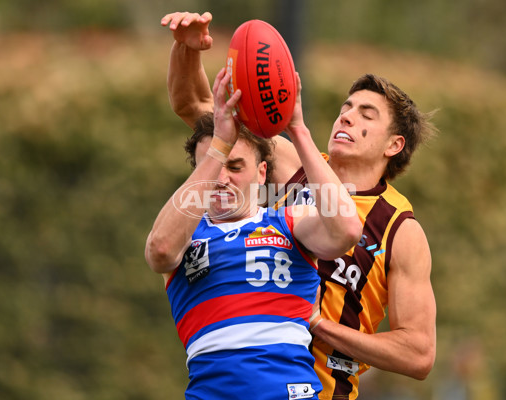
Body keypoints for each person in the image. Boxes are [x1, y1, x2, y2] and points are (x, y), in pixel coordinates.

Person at [161, 11, 437, 400]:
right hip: (248, 383)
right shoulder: (292, 165)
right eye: (347, 106)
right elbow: (196, 104)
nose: (347, 115)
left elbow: (419, 353)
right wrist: (186, 50)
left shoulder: (399, 228)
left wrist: (320, 326)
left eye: (366, 114)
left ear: (394, 145)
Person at [145, 66, 362, 399]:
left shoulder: (290, 221)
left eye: (235, 167)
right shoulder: (185, 231)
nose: (222, 178)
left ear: (262, 173)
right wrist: (218, 146)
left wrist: (298, 129)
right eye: (214, 166)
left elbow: (347, 229)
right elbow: (159, 252)